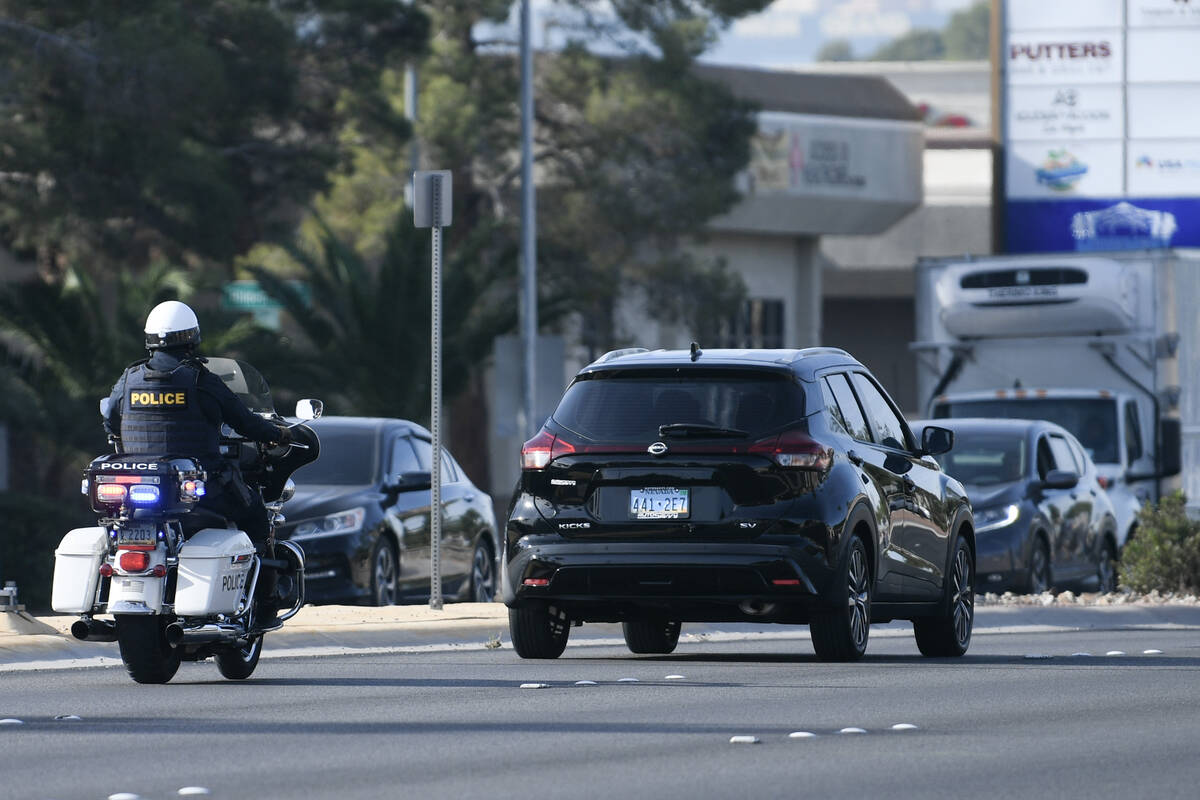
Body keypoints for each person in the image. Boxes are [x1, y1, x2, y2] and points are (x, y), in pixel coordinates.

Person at [102, 300, 292, 624]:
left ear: (150, 339)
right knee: (258, 518)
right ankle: (266, 603)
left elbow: (109, 418)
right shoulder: (200, 381)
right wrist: (277, 435)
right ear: (191, 339)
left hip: (137, 488)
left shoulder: (128, 379)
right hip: (200, 488)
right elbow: (244, 421)